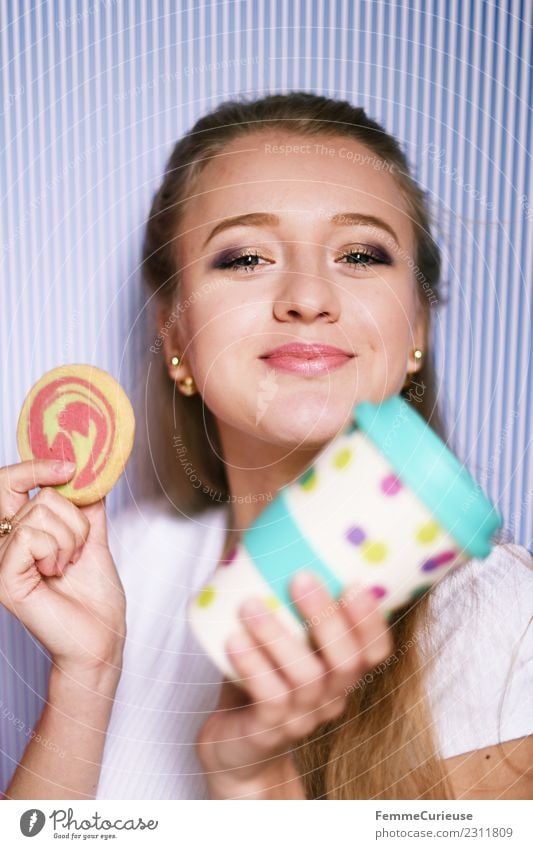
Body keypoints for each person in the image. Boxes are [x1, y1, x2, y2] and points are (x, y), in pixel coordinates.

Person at [1, 92, 532, 801]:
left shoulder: (502, 620)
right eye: (246, 257)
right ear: (173, 333)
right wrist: (86, 675)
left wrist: (253, 785)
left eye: (360, 253)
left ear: (416, 331)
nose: (308, 296)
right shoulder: (128, 562)